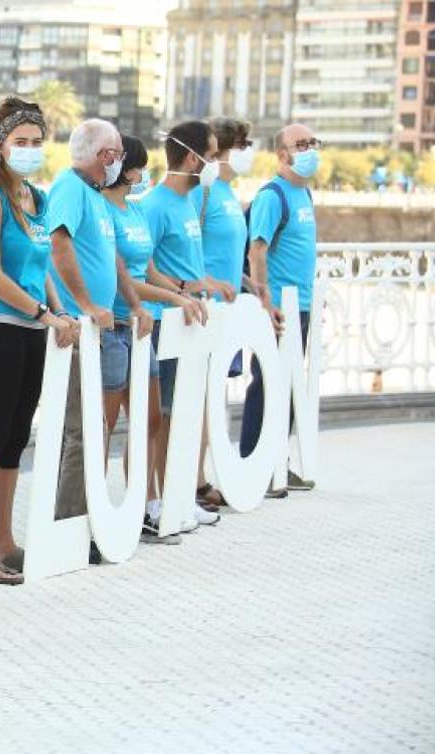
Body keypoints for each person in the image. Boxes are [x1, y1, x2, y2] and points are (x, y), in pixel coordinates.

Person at [0, 97, 77, 585]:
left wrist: (59, 311)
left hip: (31, 329)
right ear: (0, 146)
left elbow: (39, 266)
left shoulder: (38, 199)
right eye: (19, 142)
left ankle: (3, 541)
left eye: (35, 142)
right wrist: (45, 314)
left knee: (13, 438)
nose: (28, 150)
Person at [47, 119, 149, 561]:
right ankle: (69, 528)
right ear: (99, 154)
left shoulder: (96, 197)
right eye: (114, 154)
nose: (118, 162)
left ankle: (86, 519)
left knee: (95, 427)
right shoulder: (70, 188)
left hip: (103, 329)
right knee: (80, 430)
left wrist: (134, 305)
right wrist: (86, 303)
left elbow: (114, 260)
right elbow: (59, 245)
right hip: (80, 329)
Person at [100, 135, 205, 544]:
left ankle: (146, 502)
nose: (144, 175)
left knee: (151, 415)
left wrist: (179, 294)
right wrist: (167, 296)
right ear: (128, 168)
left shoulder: (134, 211)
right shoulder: (104, 213)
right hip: (115, 325)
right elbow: (126, 279)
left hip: (139, 330)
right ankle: (99, 510)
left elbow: (149, 269)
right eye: (140, 167)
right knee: (106, 423)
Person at [139, 120, 232, 533]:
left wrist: (202, 286)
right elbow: (143, 266)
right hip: (164, 323)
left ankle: (180, 496)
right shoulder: (155, 205)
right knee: (165, 417)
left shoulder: (192, 203)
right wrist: (178, 290)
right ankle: (158, 501)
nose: (216, 164)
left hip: (192, 321)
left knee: (187, 414)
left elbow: (189, 265)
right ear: (193, 158)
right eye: (212, 156)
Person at [240, 123, 321, 495]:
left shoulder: (304, 195)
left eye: (311, 143)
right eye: (299, 144)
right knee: (266, 385)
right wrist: (264, 300)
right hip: (276, 309)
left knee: (288, 386)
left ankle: (278, 464)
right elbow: (257, 249)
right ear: (282, 153)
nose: (307, 150)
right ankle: (253, 464)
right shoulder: (273, 196)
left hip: (301, 306)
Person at [192, 117, 254, 509]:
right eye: (242, 144)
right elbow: (186, 246)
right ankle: (193, 482)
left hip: (229, 313)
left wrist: (251, 284)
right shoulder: (206, 192)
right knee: (198, 397)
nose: (248, 152)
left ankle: (201, 477)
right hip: (204, 311)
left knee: (214, 395)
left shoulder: (230, 193)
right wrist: (202, 284)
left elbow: (231, 254)